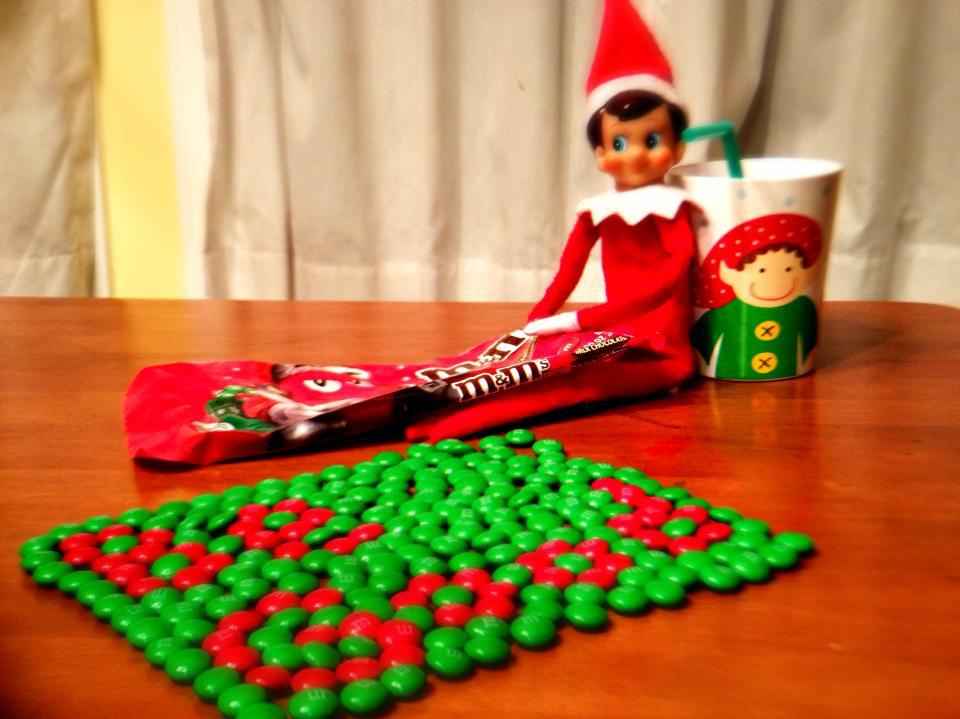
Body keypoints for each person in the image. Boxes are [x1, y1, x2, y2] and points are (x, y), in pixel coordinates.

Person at [406, 0, 699, 440]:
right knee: (536, 373)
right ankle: (433, 410)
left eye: (652, 139)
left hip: (661, 349)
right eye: (620, 143)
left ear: (677, 148)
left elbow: (670, 277)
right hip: (613, 335)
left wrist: (582, 321)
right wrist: (538, 320)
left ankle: (454, 422)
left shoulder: (669, 208)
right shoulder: (598, 210)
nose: (636, 154)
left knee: (571, 386)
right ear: (601, 154)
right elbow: (569, 270)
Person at [691, 213, 822, 380]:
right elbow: (700, 336)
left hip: (791, 370)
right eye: (761, 270)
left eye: (789, 269)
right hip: (727, 372)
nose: (775, 279)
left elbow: (809, 336)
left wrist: (807, 356)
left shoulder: (802, 306)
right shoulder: (727, 311)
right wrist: (701, 361)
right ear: (730, 275)